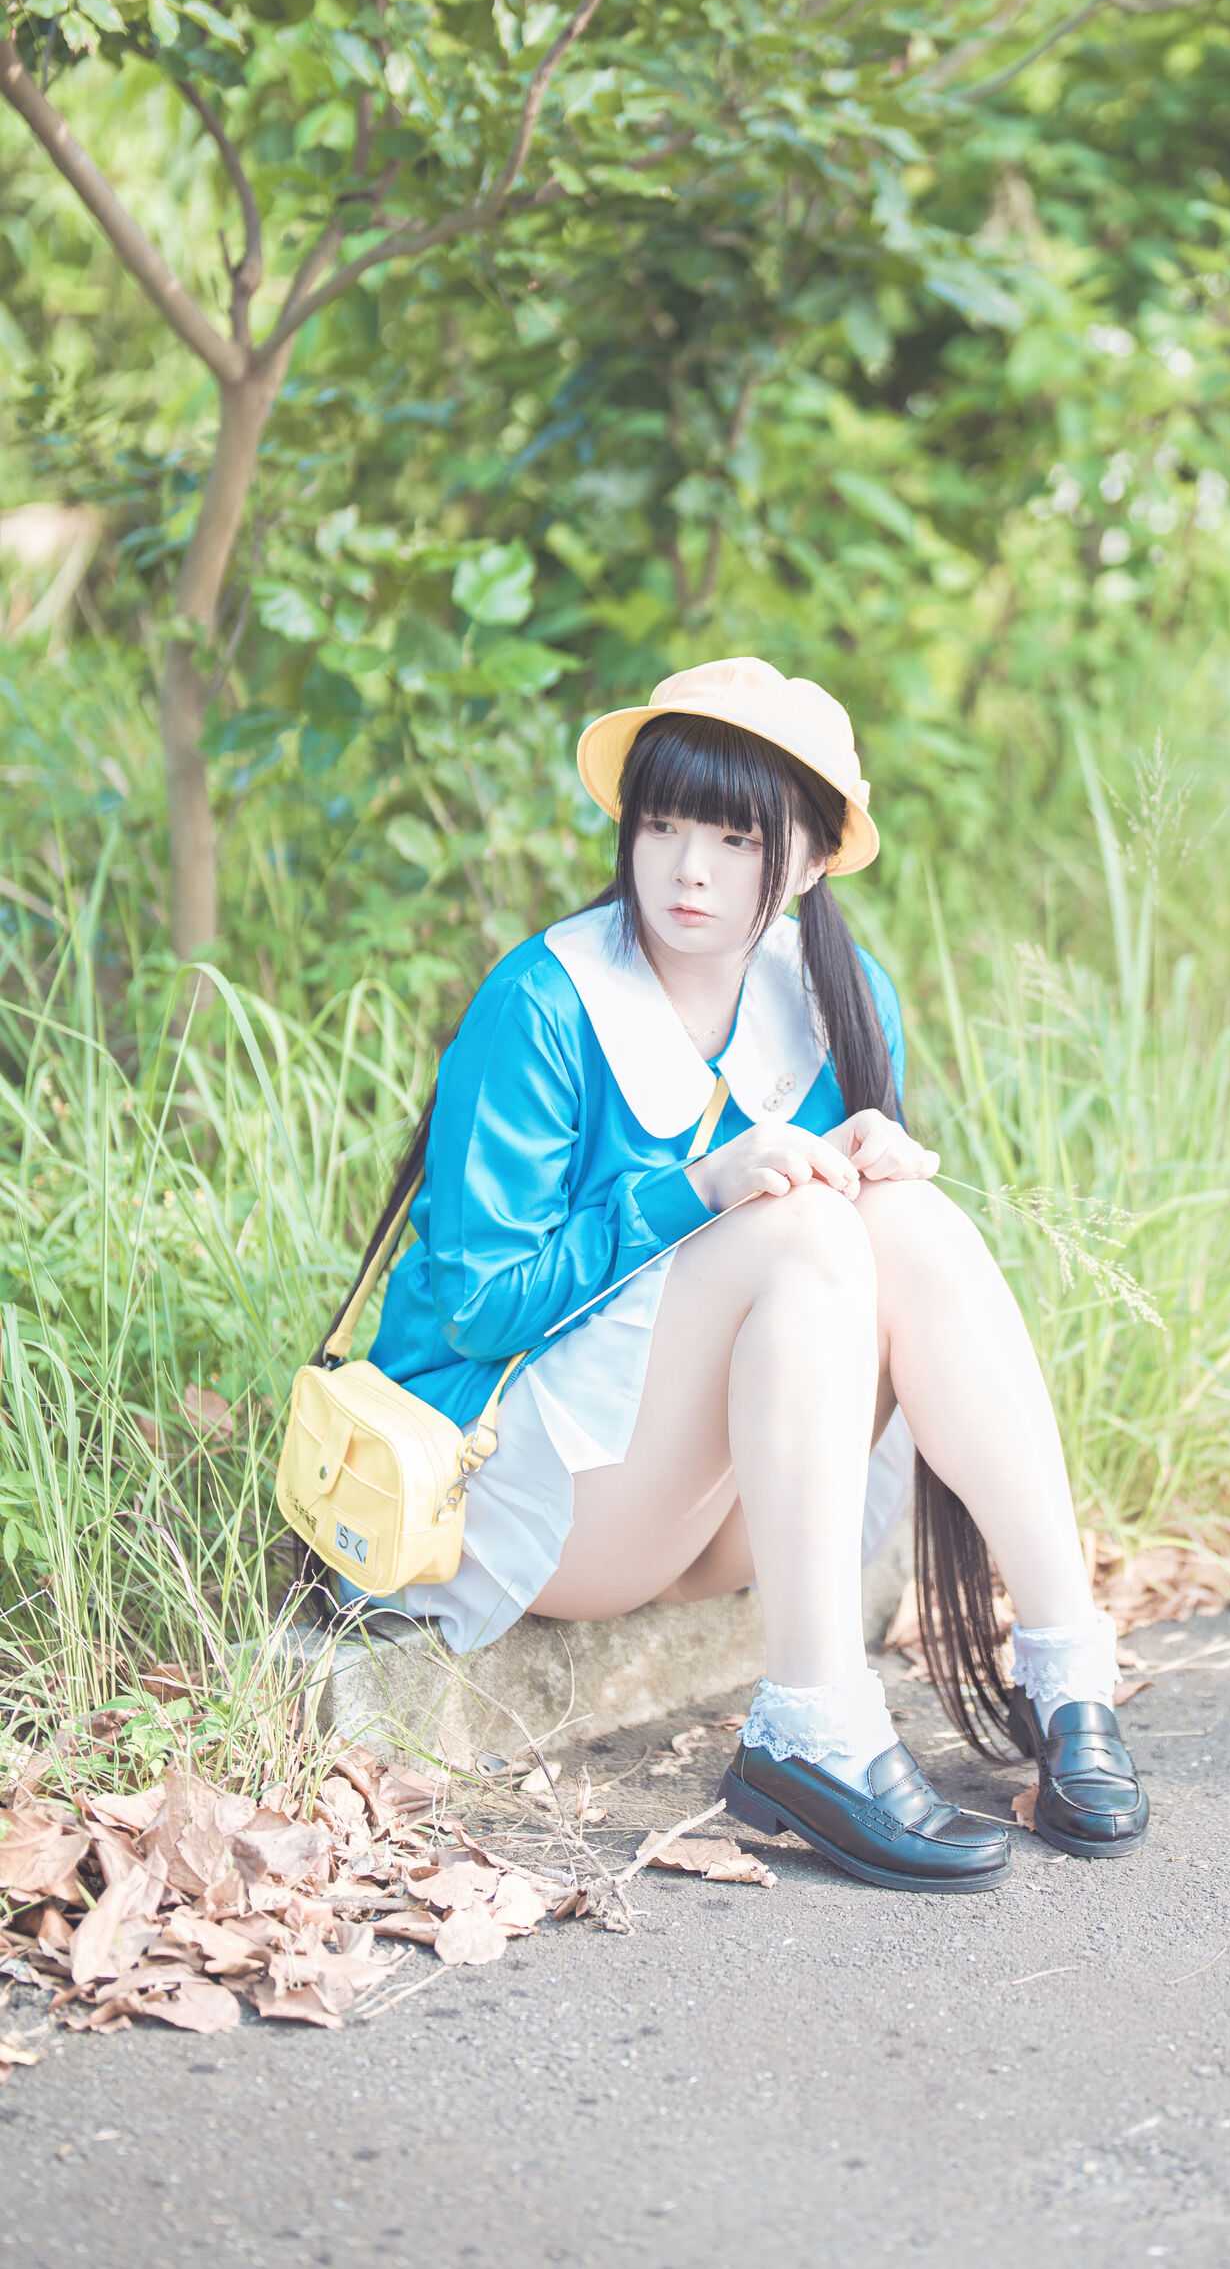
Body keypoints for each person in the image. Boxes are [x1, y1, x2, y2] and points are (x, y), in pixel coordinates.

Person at [307, 655, 1148, 1894]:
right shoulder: (547, 1002)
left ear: (808, 860)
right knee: (800, 1231)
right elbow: (472, 1310)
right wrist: (693, 1190)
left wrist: (866, 1160)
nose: (687, 869)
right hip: (529, 1500)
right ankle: (813, 1726)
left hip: (720, 1508)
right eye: (662, 825)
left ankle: (1069, 1670)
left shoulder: (836, 995)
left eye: (735, 838)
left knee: (902, 1214)